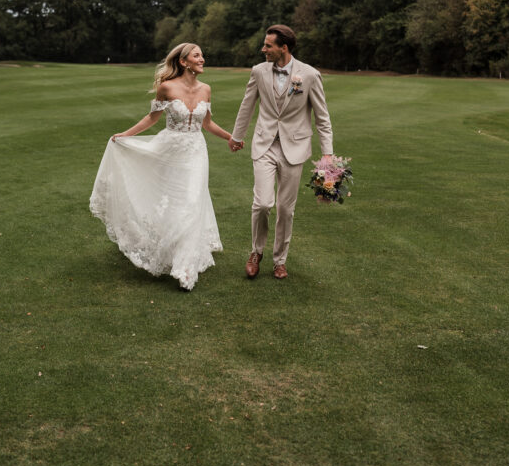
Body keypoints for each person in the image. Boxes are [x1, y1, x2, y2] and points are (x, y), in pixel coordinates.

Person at [90, 43, 239, 290]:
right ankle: (169, 249)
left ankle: (186, 269)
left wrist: (230, 138)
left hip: (196, 152)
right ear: (183, 62)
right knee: (173, 201)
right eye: (197, 55)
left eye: (202, 55)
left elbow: (208, 124)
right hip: (170, 150)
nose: (203, 59)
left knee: (192, 201)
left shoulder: (206, 89)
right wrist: (125, 135)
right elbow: (152, 118)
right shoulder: (167, 87)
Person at [229, 24, 334, 280]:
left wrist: (328, 154)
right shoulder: (258, 71)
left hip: (295, 148)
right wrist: (237, 136)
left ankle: (280, 260)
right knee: (263, 203)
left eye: (268, 46)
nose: (263, 49)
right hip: (264, 143)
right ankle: (256, 252)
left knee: (286, 209)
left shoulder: (309, 75)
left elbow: (322, 117)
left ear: (283, 48)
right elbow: (247, 106)